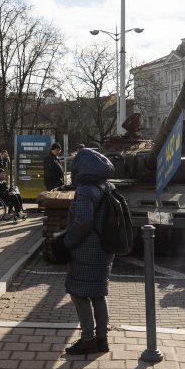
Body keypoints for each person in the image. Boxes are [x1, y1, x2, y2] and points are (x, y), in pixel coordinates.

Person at [62, 148, 117, 356]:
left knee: (79, 294)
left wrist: (68, 240)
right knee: (98, 294)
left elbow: (83, 221)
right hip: (104, 248)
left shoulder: (86, 190)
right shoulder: (107, 186)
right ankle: (102, 339)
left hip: (87, 249)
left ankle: (87, 340)